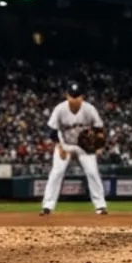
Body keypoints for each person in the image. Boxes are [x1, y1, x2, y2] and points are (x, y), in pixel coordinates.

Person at [39, 82, 108, 216]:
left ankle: (100, 206)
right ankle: (47, 206)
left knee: (93, 172)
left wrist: (99, 145)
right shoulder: (60, 109)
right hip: (65, 144)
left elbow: (99, 128)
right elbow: (51, 130)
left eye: (77, 96)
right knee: (57, 172)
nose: (74, 99)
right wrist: (60, 147)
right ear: (67, 96)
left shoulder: (89, 109)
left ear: (82, 97)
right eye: (71, 96)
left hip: (85, 146)